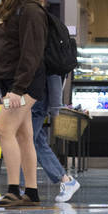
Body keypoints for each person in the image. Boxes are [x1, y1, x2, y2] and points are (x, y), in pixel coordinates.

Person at [0, 0, 48, 207]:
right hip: (12, 82)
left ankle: (13, 189)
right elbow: (3, 53)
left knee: (4, 130)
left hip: (26, 83)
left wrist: (17, 89)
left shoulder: (32, 11)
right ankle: (31, 192)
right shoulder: (9, 12)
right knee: (23, 135)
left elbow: (31, 54)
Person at [28, 73, 80, 204]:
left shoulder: (42, 52)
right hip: (29, 96)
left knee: (26, 141)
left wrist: (56, 105)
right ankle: (66, 180)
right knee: (35, 142)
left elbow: (52, 73)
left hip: (36, 97)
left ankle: (22, 189)